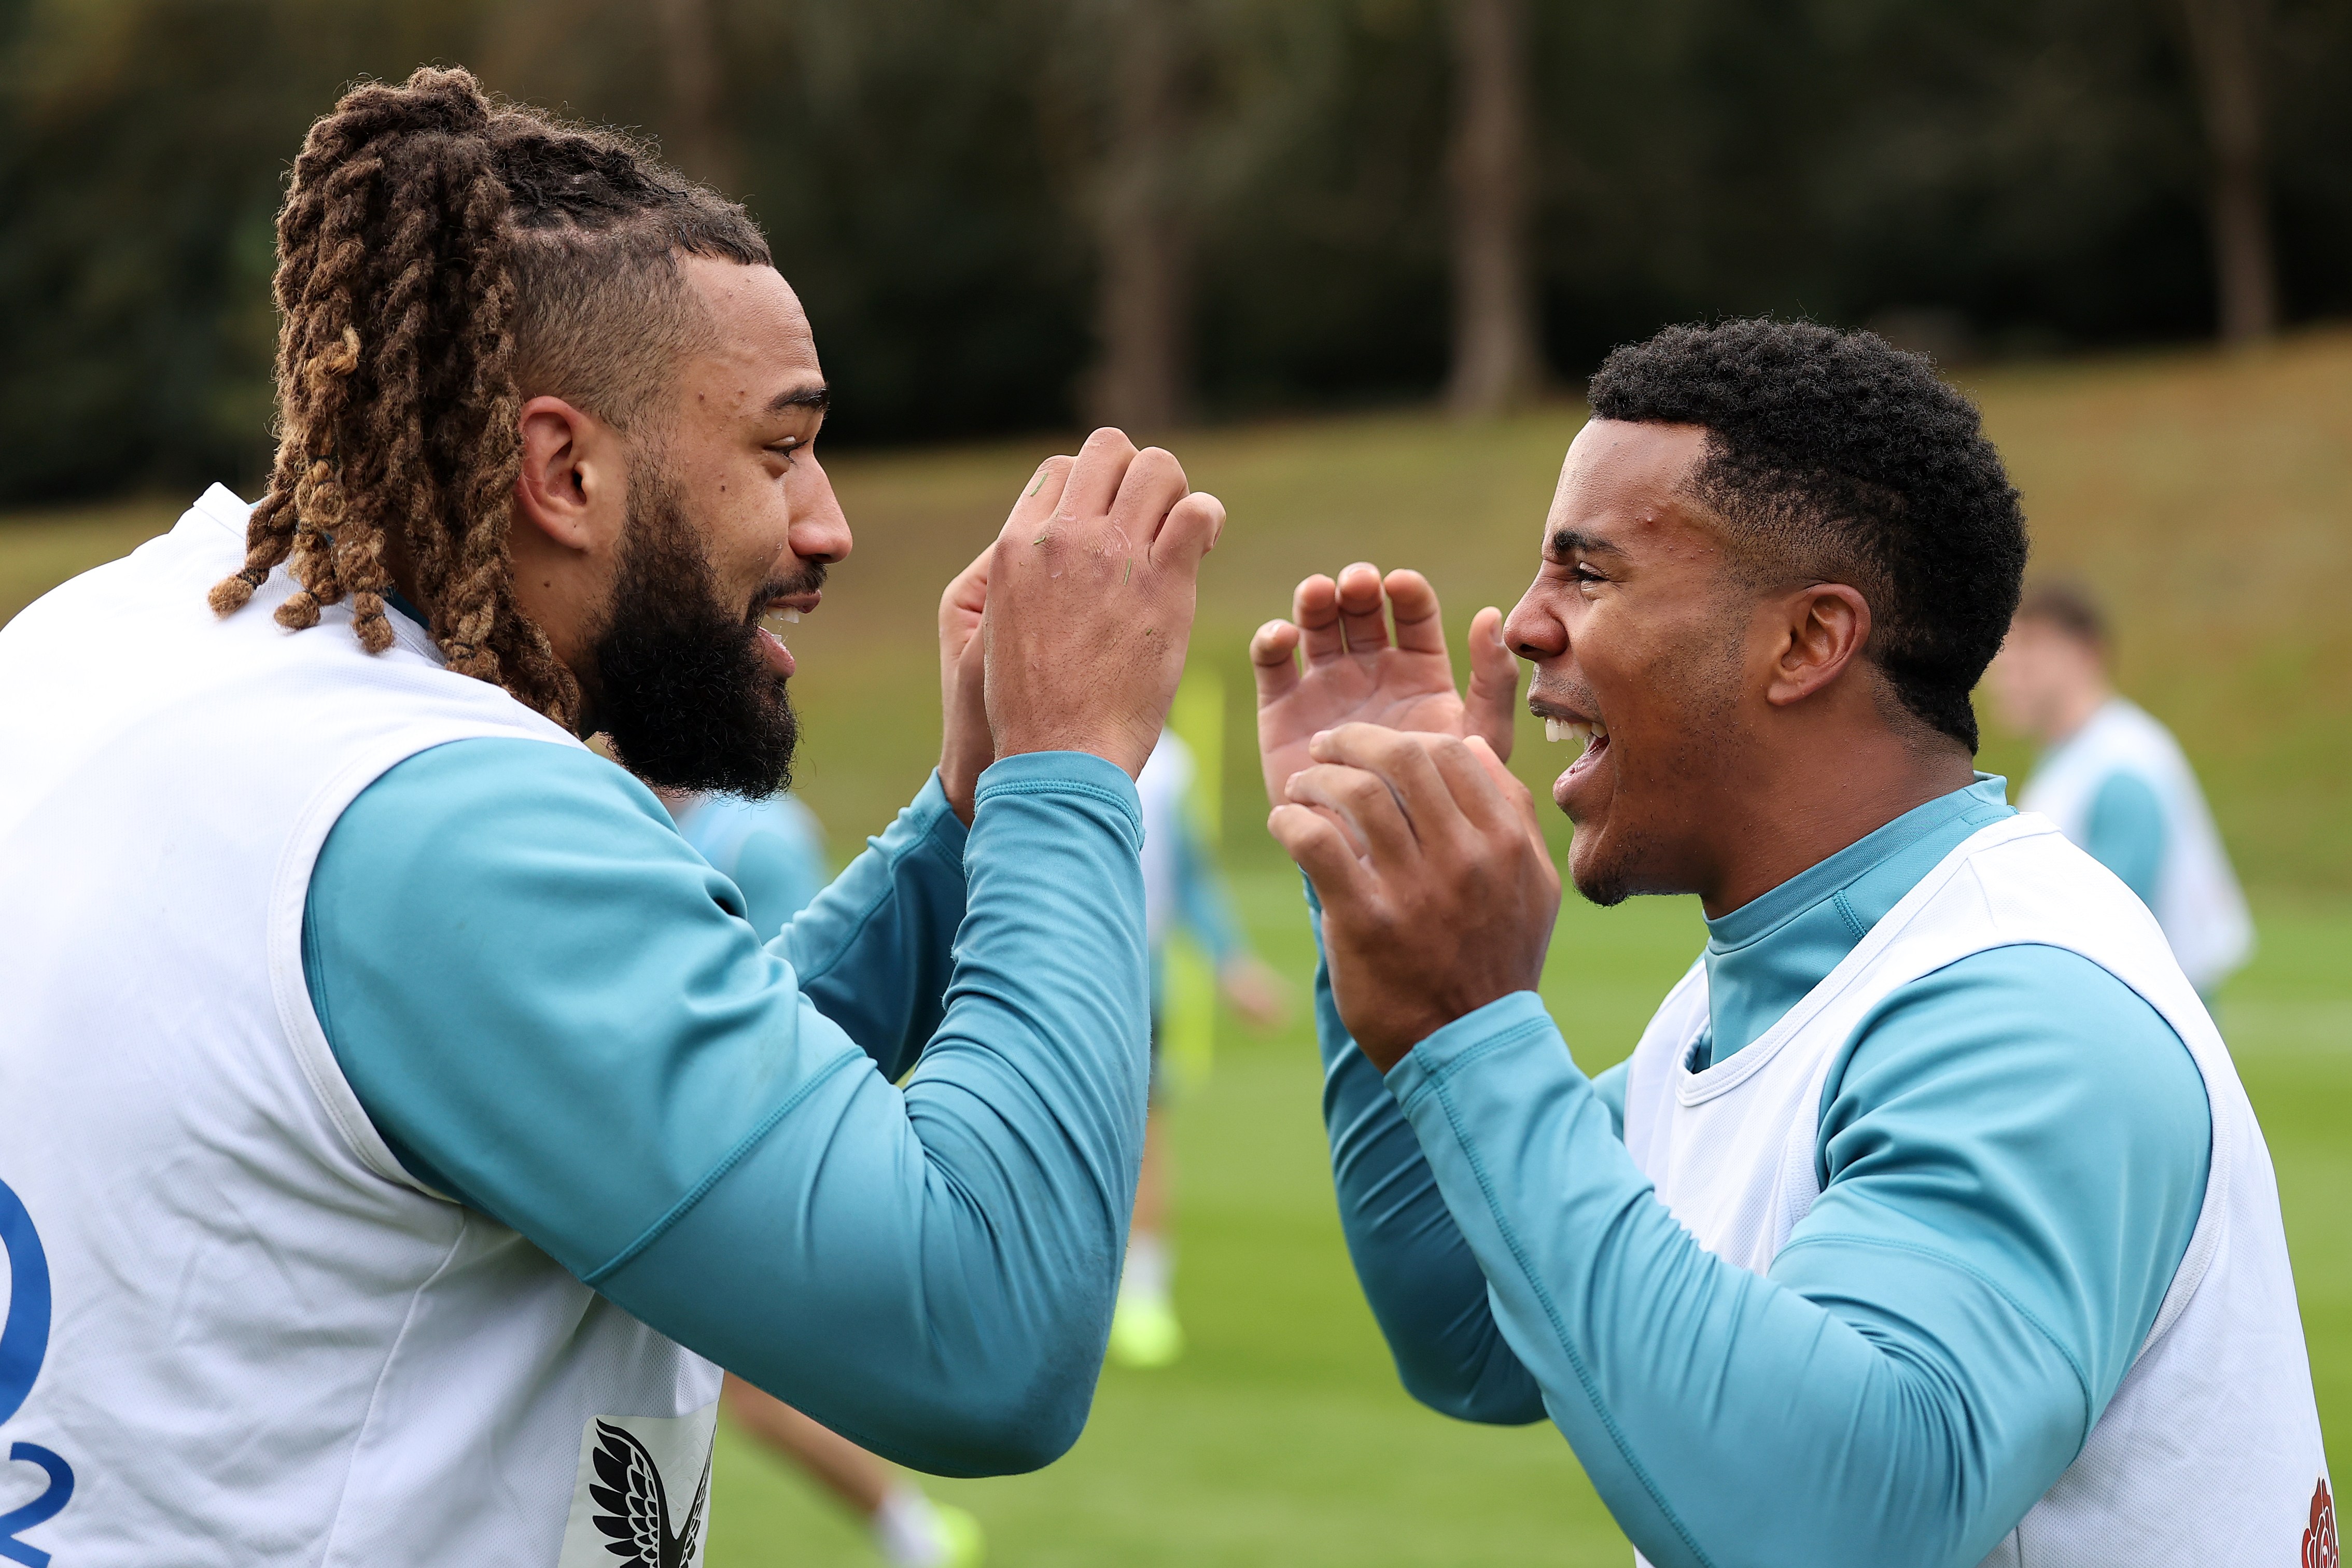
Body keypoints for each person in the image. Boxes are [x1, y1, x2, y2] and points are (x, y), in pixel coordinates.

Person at [0, 67, 1226, 1566]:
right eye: (781, 449)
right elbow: (986, 1338)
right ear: (563, 472)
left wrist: (963, 826)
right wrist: (1069, 773)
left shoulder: (115, 641)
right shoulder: (448, 821)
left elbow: (613, 1082)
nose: (830, 523)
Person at [1250, 319, 2328, 1566]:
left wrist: (1479, 1039)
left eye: (1588, 576)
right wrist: (1374, 890)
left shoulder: (2031, 1011)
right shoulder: (1738, 1003)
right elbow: (1469, 1326)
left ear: (1810, 641)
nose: (1526, 628)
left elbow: (1845, 1524)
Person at [655, 785, 984, 1567]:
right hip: (679, 1145)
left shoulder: (757, 839)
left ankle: (916, 1534)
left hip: (745, 1150)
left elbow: (815, 1001)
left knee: (748, 1395)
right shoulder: (636, 817)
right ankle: (915, 1533)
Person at [1111, 729, 1290, 1368]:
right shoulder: (1025, 723)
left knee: (1144, 1135)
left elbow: (1187, 877)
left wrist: (1233, 965)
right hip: (1040, 968)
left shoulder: (1168, 765)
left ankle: (1142, 1297)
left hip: (1136, 978)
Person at [1989, 579, 2253, 996]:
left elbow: (2111, 930)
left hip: (2154, 1013)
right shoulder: (2077, 758)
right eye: (2004, 647)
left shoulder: (2120, 768)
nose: (2008, 666)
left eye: (2031, 646)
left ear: (2086, 653)